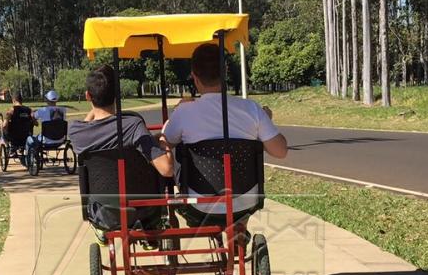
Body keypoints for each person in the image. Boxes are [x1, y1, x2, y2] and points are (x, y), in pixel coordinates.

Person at [162, 42, 288, 222]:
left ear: (195, 77)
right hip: (245, 202)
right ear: (225, 73)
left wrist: (169, 124)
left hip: (200, 203)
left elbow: (165, 143)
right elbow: (280, 151)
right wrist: (266, 121)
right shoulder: (251, 109)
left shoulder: (184, 112)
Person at [70, 64, 174, 233]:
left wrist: (94, 111)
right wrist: (163, 141)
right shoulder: (133, 125)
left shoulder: (76, 132)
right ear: (117, 95)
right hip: (144, 211)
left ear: (88, 96)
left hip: (103, 212)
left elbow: (87, 122)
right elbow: (167, 170)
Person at [3, 93, 35, 158]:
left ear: (13, 100)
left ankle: (9, 147)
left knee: (4, 128)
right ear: (21, 100)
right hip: (26, 135)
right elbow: (36, 123)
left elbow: (4, 125)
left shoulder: (11, 110)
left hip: (13, 136)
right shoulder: (29, 110)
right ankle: (22, 148)